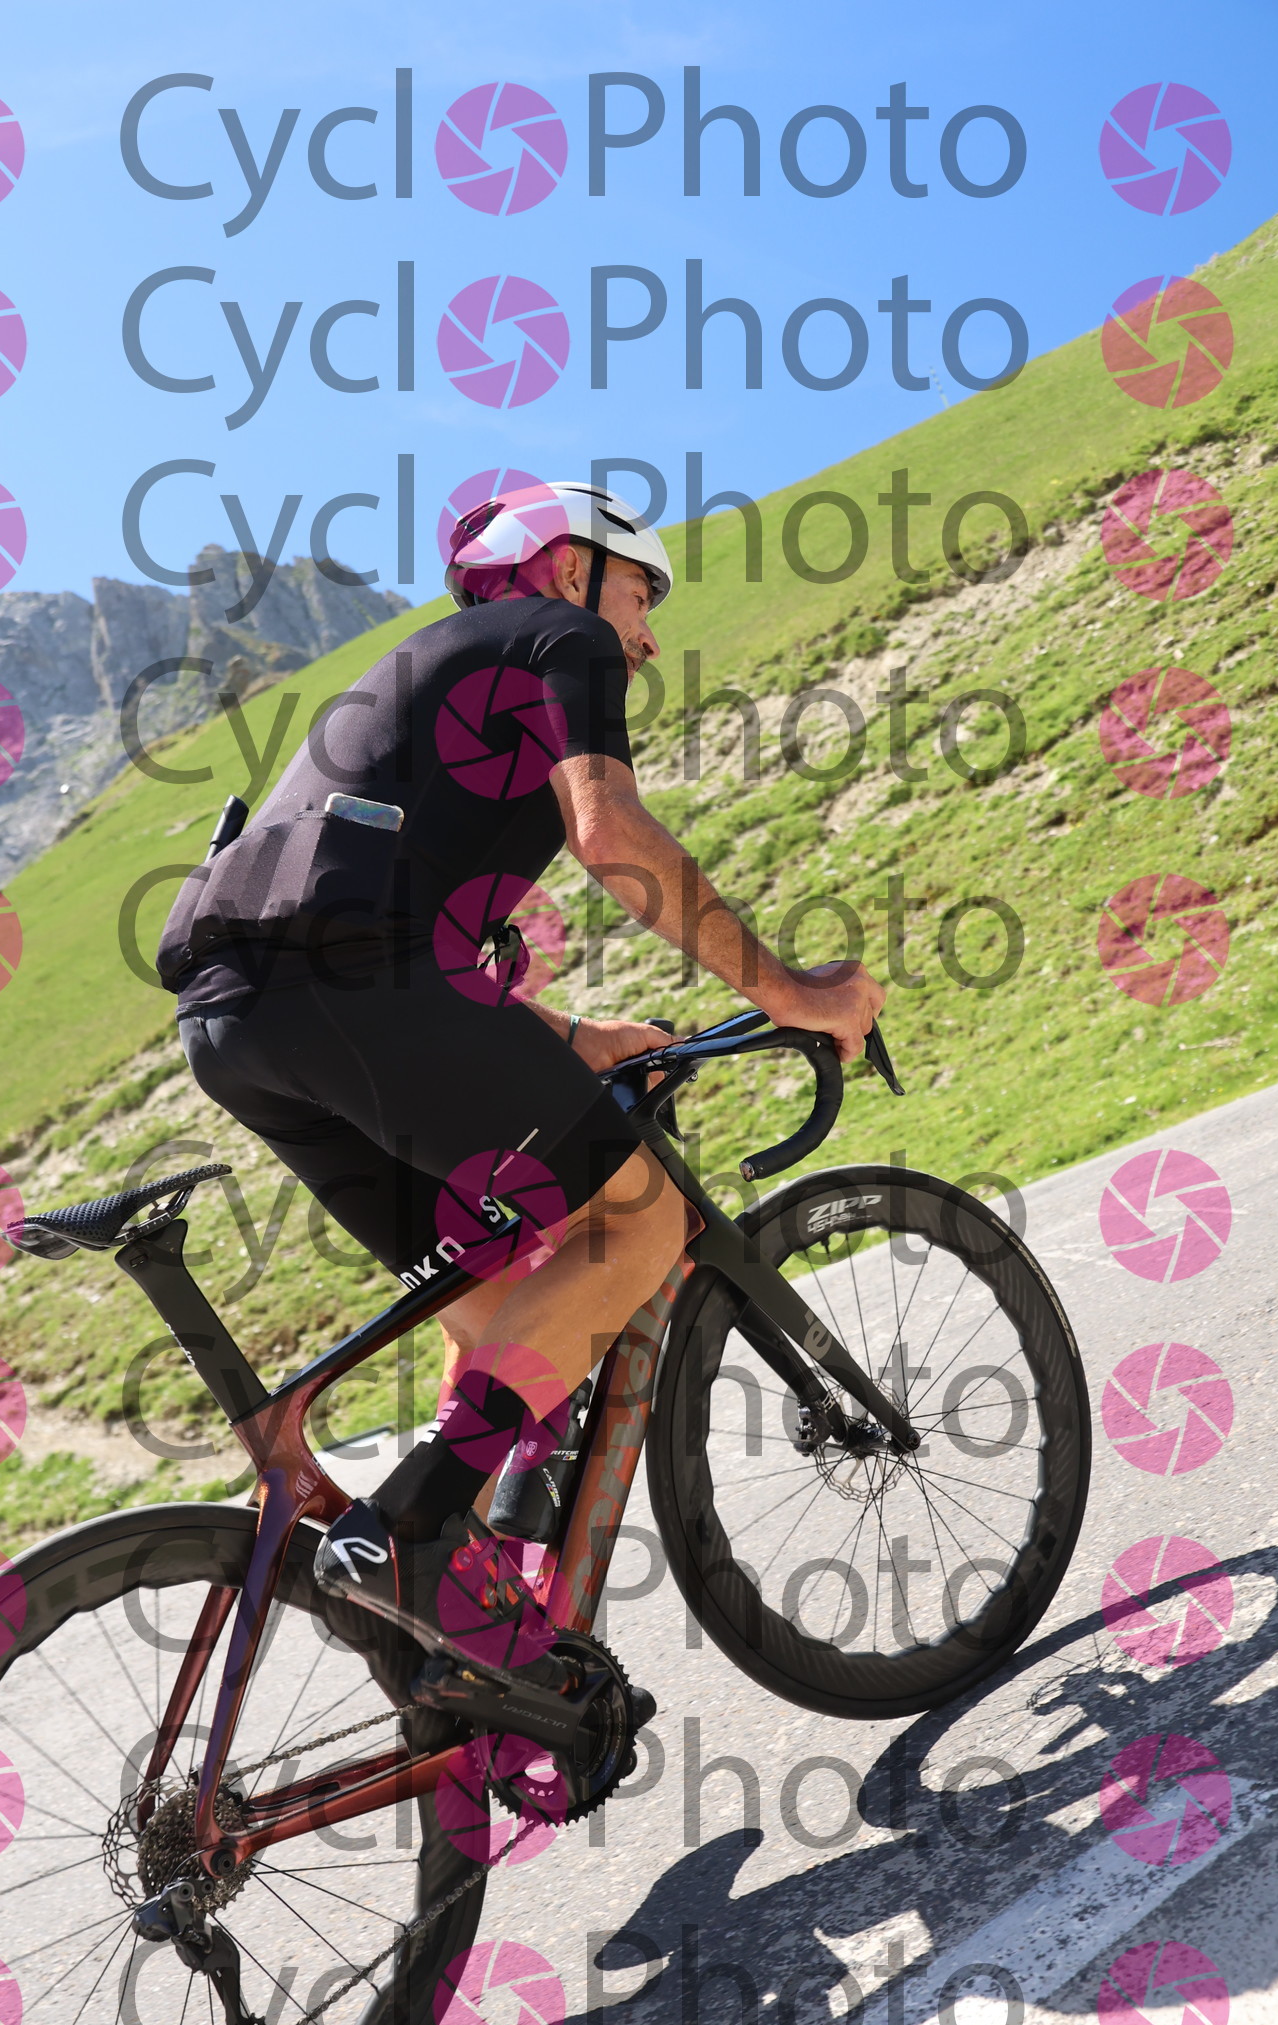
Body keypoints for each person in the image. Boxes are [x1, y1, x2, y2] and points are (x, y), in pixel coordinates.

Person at [158, 480, 884, 1698]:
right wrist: (795, 990)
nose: (645, 638)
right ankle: (418, 1532)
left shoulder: (418, 679)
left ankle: (474, 1668)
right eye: (641, 592)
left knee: (500, 1290)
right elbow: (611, 837)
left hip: (235, 1027)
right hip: (353, 996)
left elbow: (366, 920)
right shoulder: (561, 638)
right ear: (566, 569)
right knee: (638, 1221)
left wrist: (573, 1032)